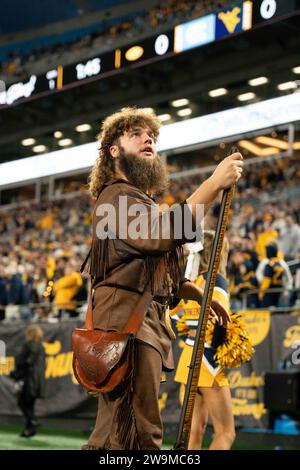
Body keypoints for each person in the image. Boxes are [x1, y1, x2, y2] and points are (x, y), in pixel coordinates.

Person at [80, 107, 243, 450]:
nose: (147, 138)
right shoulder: (116, 195)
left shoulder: (139, 200)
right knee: (137, 434)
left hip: (138, 323)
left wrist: (196, 293)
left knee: (118, 432)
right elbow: (160, 234)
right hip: (126, 325)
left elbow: (158, 271)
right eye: (135, 134)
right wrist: (212, 184)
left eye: (151, 134)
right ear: (114, 150)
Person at [172, 232, 235, 450]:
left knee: (193, 432)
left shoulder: (192, 283)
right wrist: (226, 348)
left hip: (187, 360)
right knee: (226, 433)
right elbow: (221, 321)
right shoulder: (216, 279)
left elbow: (172, 314)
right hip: (208, 360)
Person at [11, 324, 46, 437]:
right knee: (30, 405)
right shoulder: (41, 347)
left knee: (22, 402)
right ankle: (28, 430)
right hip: (38, 381)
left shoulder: (28, 345)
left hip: (29, 379)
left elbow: (23, 362)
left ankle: (33, 420)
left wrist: (16, 374)